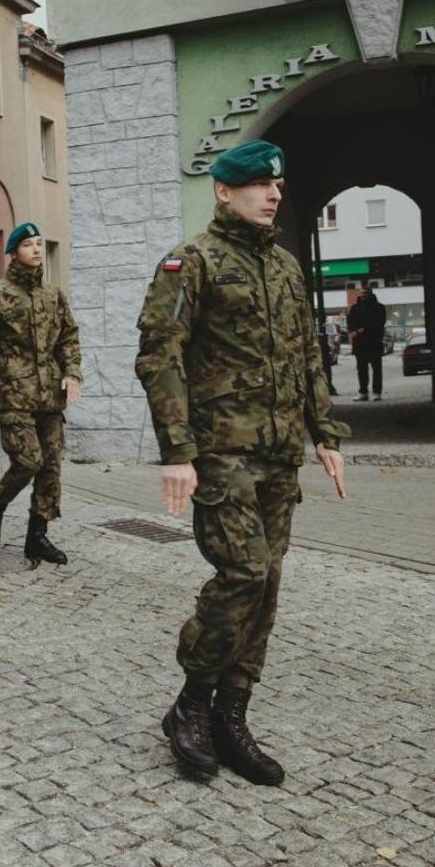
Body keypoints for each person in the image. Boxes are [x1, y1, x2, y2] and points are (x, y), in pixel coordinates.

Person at [136, 139, 349, 786]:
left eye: (277, 183)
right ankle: (190, 705)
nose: (273, 192)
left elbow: (308, 354)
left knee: (269, 586)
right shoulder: (190, 261)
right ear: (223, 190)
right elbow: (159, 357)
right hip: (221, 453)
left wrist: (325, 431)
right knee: (244, 574)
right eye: (258, 182)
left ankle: (231, 716)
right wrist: (176, 452)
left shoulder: (285, 267)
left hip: (279, 457)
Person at [0, 222, 83, 565]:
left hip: (50, 398)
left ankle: (37, 537)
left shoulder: (53, 295)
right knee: (28, 460)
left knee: (50, 469)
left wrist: (72, 372)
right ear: (13, 252)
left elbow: (68, 338)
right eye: (28, 244)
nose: (37, 249)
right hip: (15, 394)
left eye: (40, 243)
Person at [346, 288, 388, 401]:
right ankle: (363, 392)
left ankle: (376, 392)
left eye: (366, 294)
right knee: (361, 369)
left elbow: (380, 322)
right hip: (360, 343)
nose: (364, 296)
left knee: (376, 369)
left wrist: (363, 329)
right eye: (362, 294)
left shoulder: (379, 308)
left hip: (374, 342)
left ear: (371, 294)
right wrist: (354, 330)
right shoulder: (355, 308)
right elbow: (350, 322)